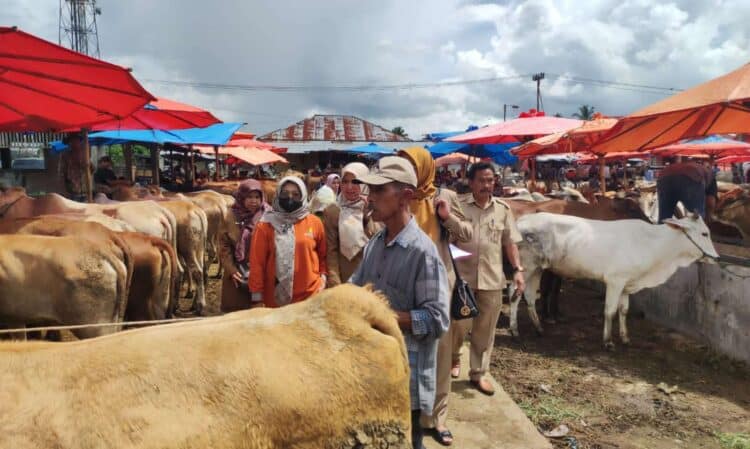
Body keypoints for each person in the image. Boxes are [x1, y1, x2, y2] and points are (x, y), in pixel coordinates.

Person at [349, 156, 450, 449]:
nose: (371, 197)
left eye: (380, 191)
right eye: (371, 190)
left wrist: (381, 314)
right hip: (372, 370)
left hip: (405, 376)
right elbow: (355, 287)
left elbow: (437, 320)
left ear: (406, 196)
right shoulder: (376, 244)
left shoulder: (423, 253)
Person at [397, 147, 472, 446]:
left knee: (441, 355)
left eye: (411, 166)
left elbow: (467, 235)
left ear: (424, 168)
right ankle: (408, 417)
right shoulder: (398, 196)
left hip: (439, 286)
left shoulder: (445, 196)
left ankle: (437, 419)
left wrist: (447, 217)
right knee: (407, 355)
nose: (407, 172)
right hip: (403, 286)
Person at [455, 162, 526, 395]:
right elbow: (446, 241)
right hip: (461, 279)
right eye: (482, 180)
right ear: (471, 182)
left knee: (485, 330)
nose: (487, 185)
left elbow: (510, 242)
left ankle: (478, 373)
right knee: (458, 325)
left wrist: (517, 270)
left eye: (490, 180)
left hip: (492, 278)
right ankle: (454, 358)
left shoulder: (503, 209)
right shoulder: (458, 206)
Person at [249, 176, 327, 307]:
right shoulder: (265, 225)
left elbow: (323, 256)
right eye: (285, 193)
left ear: (303, 196)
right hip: (275, 300)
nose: (290, 198)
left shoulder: (315, 222)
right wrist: (257, 297)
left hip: (310, 296)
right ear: (278, 195)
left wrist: (323, 280)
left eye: (296, 194)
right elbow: (257, 263)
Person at [323, 162, 380, 287]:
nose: (349, 187)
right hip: (344, 275)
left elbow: (380, 240)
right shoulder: (332, 211)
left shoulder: (377, 208)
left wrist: (367, 216)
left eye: (356, 182)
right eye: (345, 182)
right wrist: (335, 281)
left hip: (373, 274)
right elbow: (331, 251)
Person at [219, 179, 271, 313]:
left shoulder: (269, 216)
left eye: (257, 197)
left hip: (262, 271)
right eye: (249, 197)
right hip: (237, 271)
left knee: (259, 310)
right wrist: (231, 269)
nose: (253, 201)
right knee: (237, 313)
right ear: (241, 197)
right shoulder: (230, 217)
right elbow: (224, 246)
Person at [657, 159, 718, 223]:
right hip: (691, 176)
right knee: (697, 220)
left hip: (664, 176)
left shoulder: (700, 169)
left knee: (664, 218)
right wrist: (708, 218)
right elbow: (710, 202)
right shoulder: (711, 175)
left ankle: (661, 229)